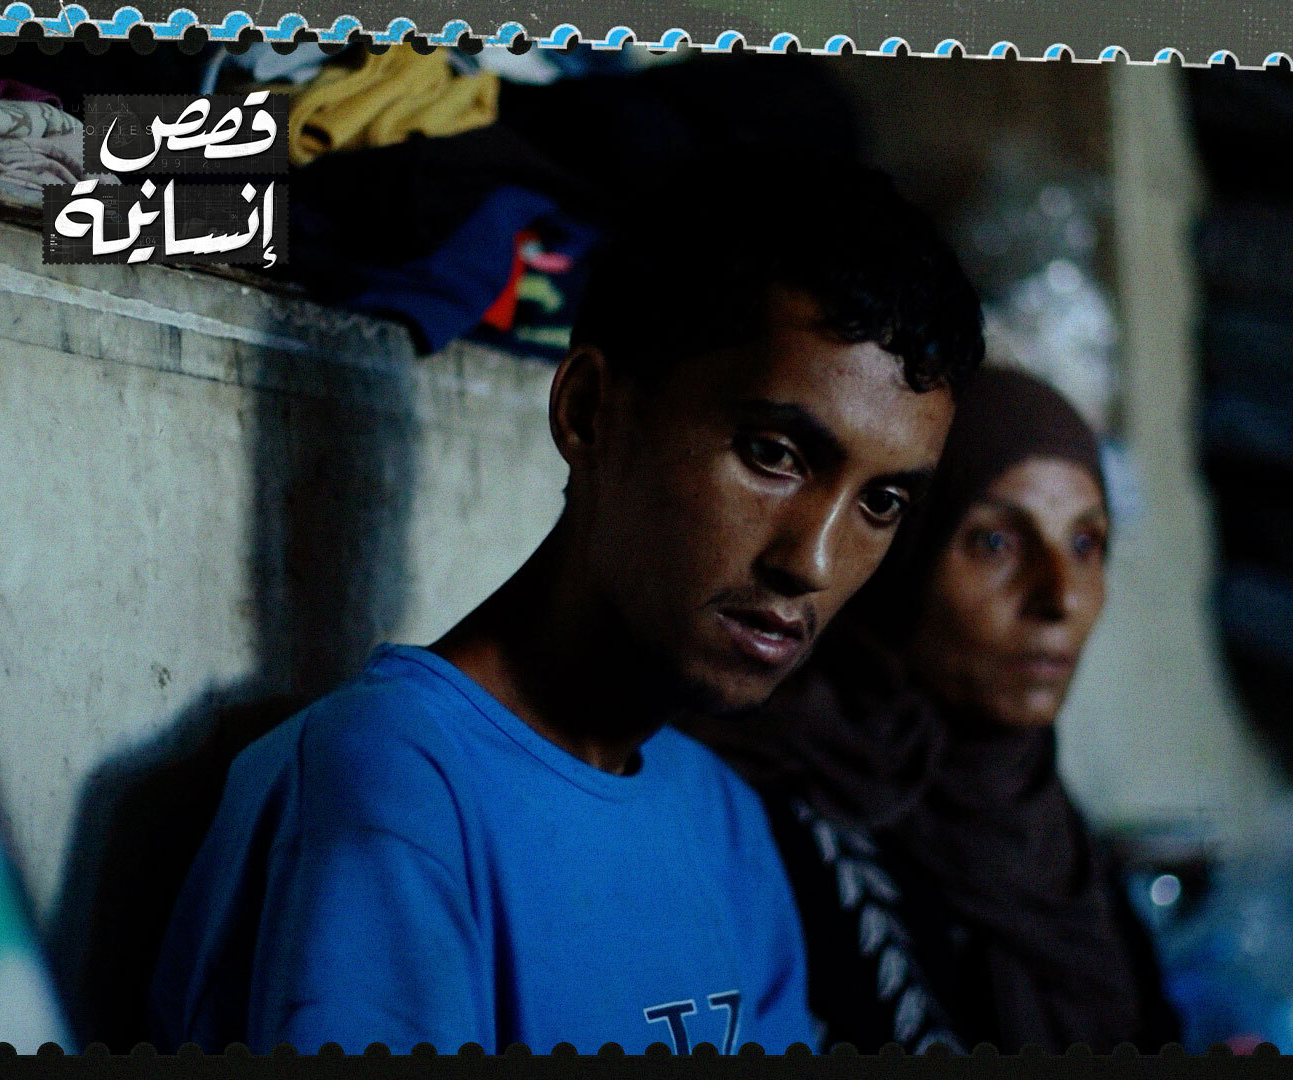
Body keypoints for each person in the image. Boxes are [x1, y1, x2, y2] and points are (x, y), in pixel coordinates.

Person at [147, 161, 985, 1055]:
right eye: (772, 454)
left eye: (881, 503)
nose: (812, 562)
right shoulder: (395, 786)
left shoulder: (724, 824)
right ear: (590, 412)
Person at [682, 368, 1183, 1054]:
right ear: (901, 558)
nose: (1060, 598)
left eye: (1085, 544)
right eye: (996, 543)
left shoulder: (1054, 841)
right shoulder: (764, 820)